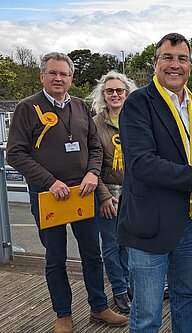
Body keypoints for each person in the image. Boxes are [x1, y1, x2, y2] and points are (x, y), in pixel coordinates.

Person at [6, 52, 128, 333]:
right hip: (49, 195)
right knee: (56, 258)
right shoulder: (27, 108)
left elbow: (95, 148)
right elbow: (15, 153)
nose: (58, 78)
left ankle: (98, 307)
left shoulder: (81, 107)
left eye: (64, 74)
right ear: (42, 76)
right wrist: (49, 181)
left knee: (92, 254)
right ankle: (63, 314)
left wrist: (92, 173)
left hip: (82, 193)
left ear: (72, 78)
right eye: (53, 73)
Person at [116, 33, 192, 333]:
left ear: (190, 65)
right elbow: (142, 163)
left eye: (182, 59)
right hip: (149, 224)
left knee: (186, 296)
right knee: (148, 310)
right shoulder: (138, 103)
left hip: (191, 221)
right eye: (168, 57)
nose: (175, 65)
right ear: (155, 63)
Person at [89, 70, 137, 313]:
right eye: (110, 91)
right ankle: (119, 290)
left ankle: (129, 285)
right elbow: (90, 163)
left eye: (120, 90)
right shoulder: (95, 123)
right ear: (103, 94)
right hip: (106, 192)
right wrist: (104, 196)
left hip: (133, 193)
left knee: (128, 243)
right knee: (110, 244)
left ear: (127, 93)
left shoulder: (136, 118)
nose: (115, 94)